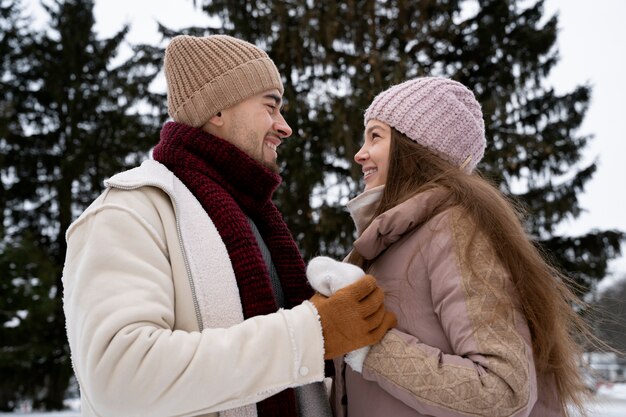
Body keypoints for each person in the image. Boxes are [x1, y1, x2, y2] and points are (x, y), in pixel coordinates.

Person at [61, 35, 396, 417]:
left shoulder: (253, 218)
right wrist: (311, 333)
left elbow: (294, 382)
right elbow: (119, 380)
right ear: (217, 110)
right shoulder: (128, 212)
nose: (284, 127)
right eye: (270, 106)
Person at [331, 76, 594, 417]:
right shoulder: (390, 241)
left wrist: (369, 344)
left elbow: (503, 390)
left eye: (375, 136)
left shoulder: (454, 230)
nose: (359, 153)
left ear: (415, 147)